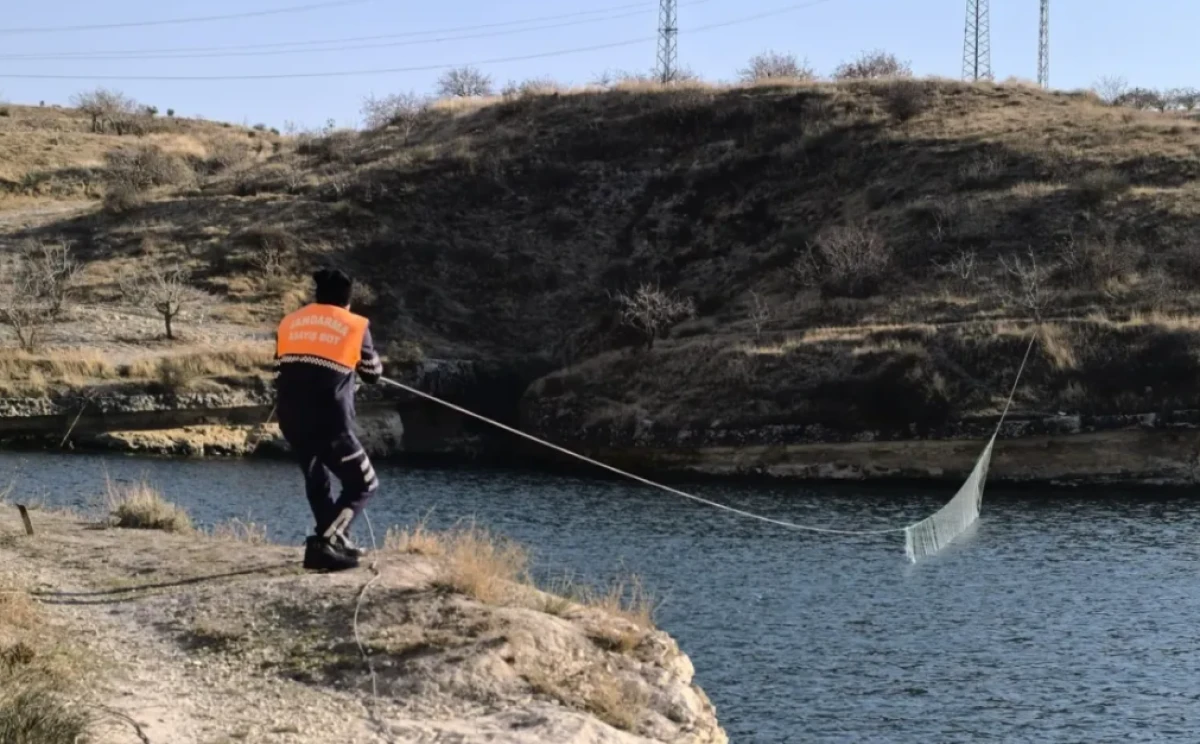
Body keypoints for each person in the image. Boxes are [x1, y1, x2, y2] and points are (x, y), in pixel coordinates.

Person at [273, 267, 384, 571]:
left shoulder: (291, 322)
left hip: (291, 417)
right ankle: (326, 542)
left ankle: (332, 543)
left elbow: (282, 361)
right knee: (364, 483)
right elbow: (373, 373)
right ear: (347, 301)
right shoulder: (355, 325)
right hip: (330, 421)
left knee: (317, 479)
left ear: (317, 297)